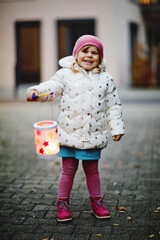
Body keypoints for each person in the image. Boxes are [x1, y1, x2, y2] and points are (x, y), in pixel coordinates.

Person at [27, 35, 125, 222]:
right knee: (68, 170)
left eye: (94, 53)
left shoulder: (106, 78)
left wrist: (117, 128)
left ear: (100, 57)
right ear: (76, 54)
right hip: (68, 133)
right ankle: (62, 203)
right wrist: (37, 92)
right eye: (85, 51)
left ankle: (96, 202)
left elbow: (113, 105)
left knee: (92, 170)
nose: (89, 56)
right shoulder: (65, 74)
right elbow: (53, 87)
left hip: (92, 135)